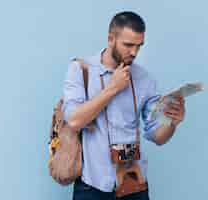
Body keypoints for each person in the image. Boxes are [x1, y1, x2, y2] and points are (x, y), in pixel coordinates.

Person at [62, 11, 185, 200]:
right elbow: (74, 120)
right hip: (92, 188)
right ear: (111, 39)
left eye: (139, 46)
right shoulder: (81, 69)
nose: (134, 52)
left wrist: (172, 123)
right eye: (128, 45)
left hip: (134, 185)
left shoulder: (144, 79)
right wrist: (113, 88)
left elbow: (157, 137)